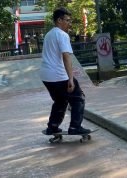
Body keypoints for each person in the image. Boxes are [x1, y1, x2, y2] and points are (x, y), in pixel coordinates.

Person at [40, 7, 91, 135]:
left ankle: (52, 126)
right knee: (78, 98)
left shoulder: (49, 34)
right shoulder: (62, 35)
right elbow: (66, 56)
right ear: (59, 20)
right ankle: (75, 127)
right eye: (67, 20)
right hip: (59, 75)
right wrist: (71, 79)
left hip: (46, 76)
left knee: (60, 100)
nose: (69, 23)